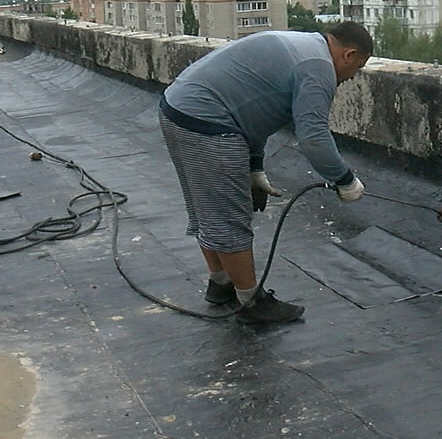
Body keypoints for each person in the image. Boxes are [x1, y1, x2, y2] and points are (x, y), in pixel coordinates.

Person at [159, 21, 373, 324]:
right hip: (208, 123)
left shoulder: (300, 44)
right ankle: (250, 303)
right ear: (349, 54)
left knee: (207, 207)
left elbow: (254, 110)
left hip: (177, 108)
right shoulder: (318, 68)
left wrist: (254, 167)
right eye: (357, 68)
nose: (351, 78)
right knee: (229, 217)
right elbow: (312, 138)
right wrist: (344, 179)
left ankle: (221, 284)